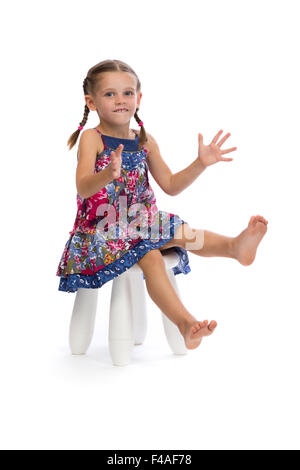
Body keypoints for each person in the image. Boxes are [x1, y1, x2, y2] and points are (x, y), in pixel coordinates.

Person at [56, 59, 268, 350]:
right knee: (152, 257)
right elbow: (82, 187)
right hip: (103, 229)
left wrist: (200, 163)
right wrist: (107, 174)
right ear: (91, 102)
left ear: (139, 98)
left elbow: (170, 184)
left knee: (183, 232)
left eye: (127, 93)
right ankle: (185, 323)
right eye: (110, 94)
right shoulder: (91, 139)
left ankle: (234, 247)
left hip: (141, 221)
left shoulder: (145, 140)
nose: (120, 100)